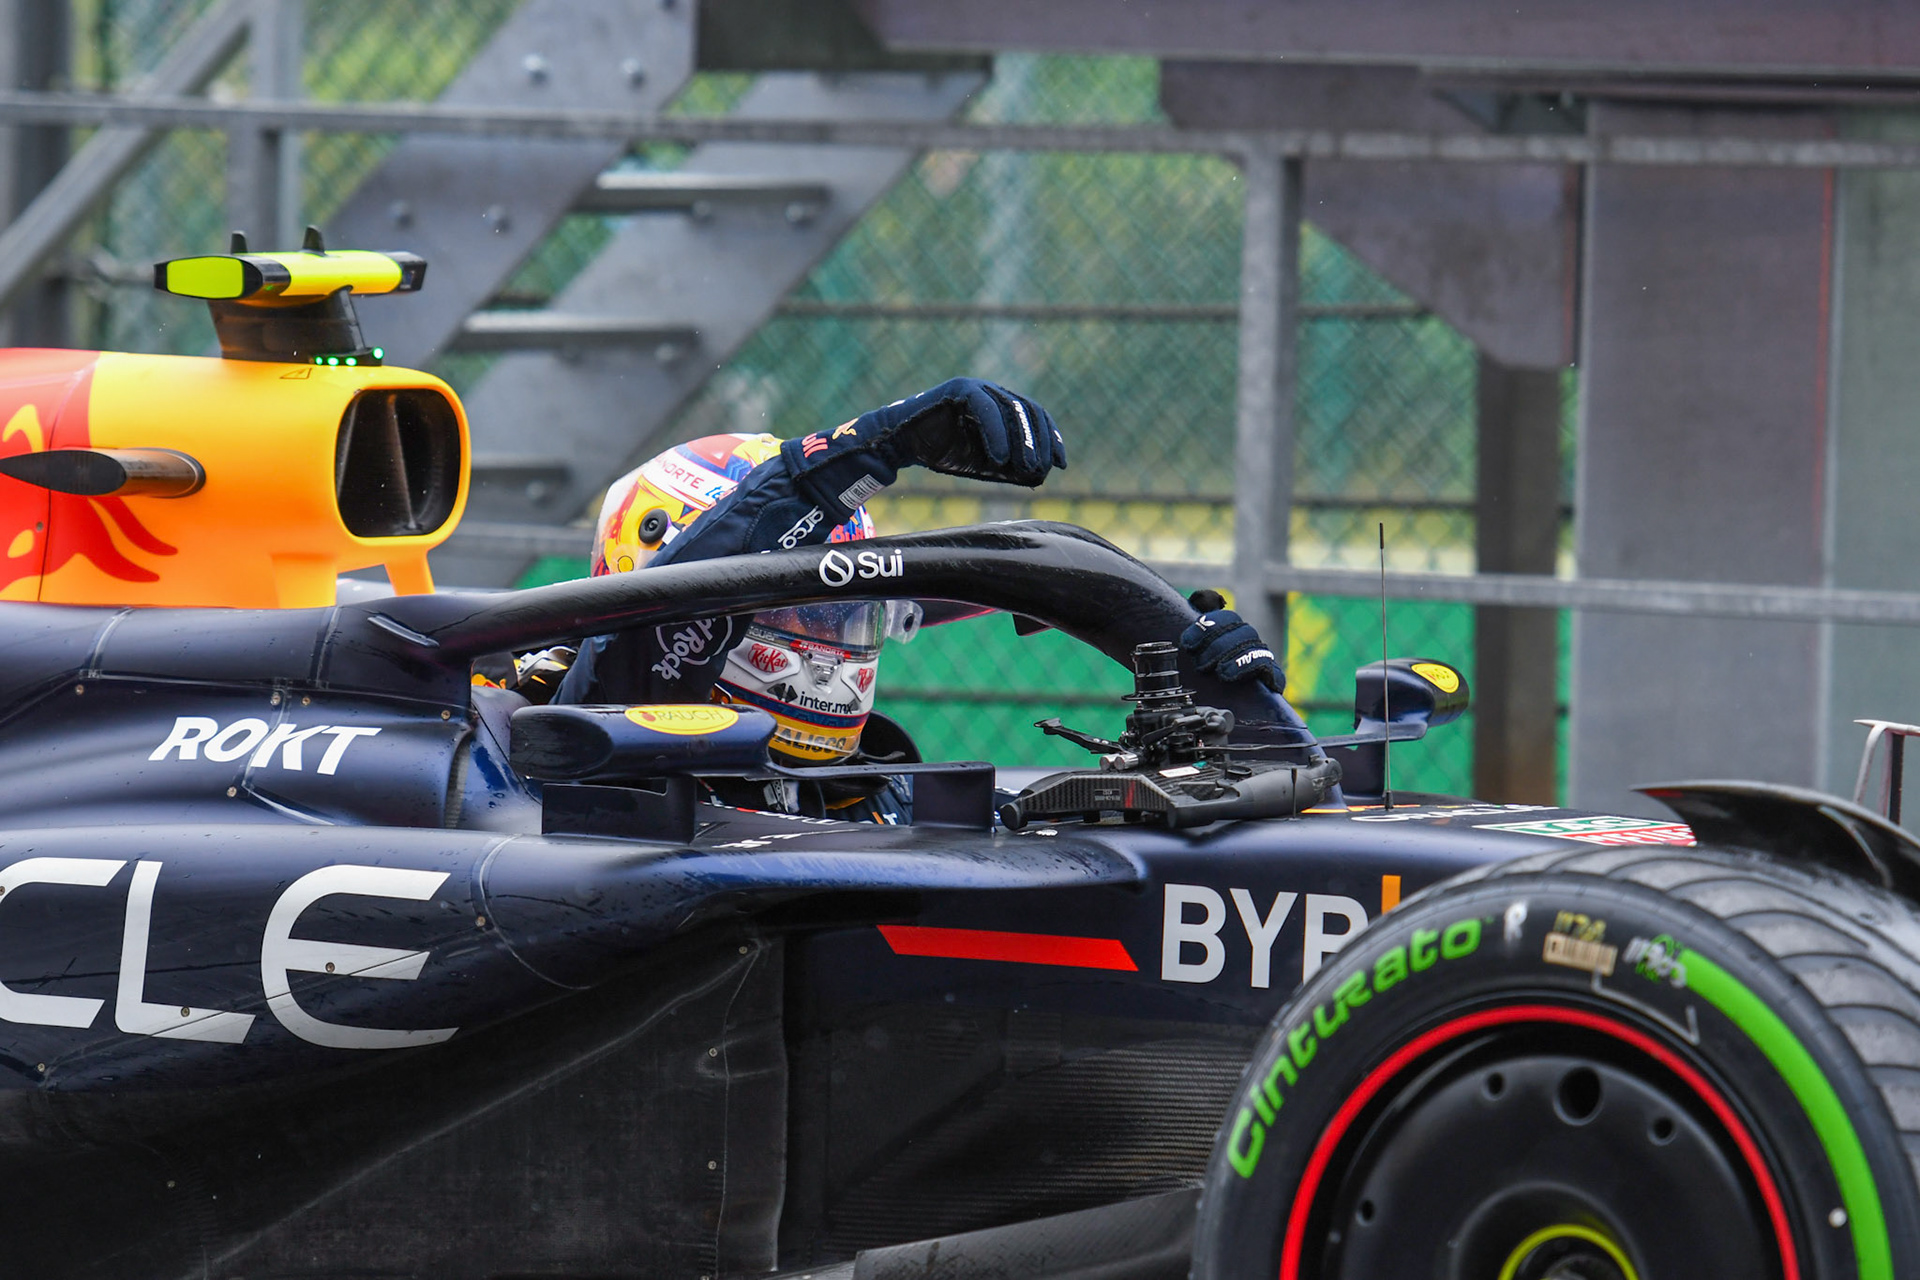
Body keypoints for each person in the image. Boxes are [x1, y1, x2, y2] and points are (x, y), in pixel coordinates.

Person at [519, 377, 1285, 820]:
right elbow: (651, 638)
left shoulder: (862, 789)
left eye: (844, 613)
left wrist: (1217, 722)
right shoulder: (553, 755)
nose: (829, 647)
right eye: (800, 612)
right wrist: (867, 451)